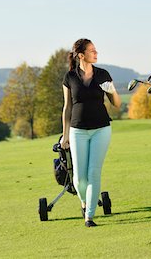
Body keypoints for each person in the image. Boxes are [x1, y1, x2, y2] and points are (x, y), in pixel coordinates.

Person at [61, 38, 121, 227]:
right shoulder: (69, 77)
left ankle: (89, 216)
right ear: (81, 55)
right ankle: (85, 202)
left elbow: (117, 105)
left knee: (94, 173)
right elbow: (67, 108)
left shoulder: (103, 74)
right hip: (77, 131)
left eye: (96, 50)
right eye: (92, 51)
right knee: (79, 178)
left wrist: (112, 91)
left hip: (101, 129)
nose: (96, 53)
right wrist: (65, 134)